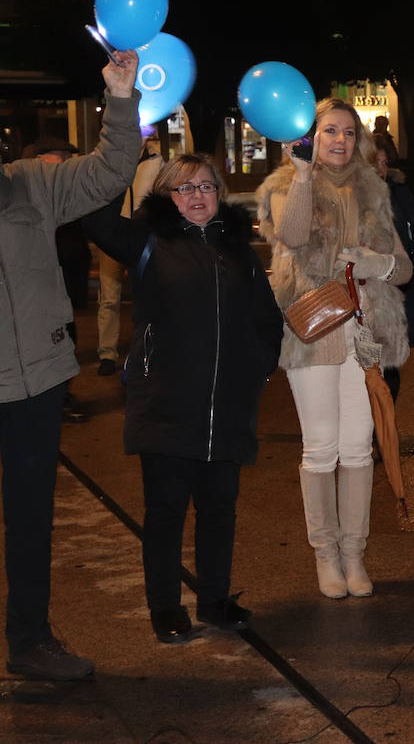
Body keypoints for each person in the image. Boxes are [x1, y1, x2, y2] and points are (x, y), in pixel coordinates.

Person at [82, 155, 282, 644]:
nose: (197, 196)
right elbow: (96, 219)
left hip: (226, 408)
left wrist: (256, 367)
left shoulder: (238, 251)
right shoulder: (149, 240)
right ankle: (165, 606)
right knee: (166, 511)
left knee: (220, 509)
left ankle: (215, 600)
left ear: (221, 193)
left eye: (206, 186)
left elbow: (266, 318)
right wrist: (118, 160)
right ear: (166, 196)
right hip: (166, 404)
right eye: (184, 188)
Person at [1, 50, 142, 680]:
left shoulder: (32, 180)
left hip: (31, 382)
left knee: (30, 521)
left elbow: (113, 170)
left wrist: (118, 96)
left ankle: (31, 642)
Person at [257, 98, 413, 600]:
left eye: (348, 131)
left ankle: (354, 553)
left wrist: (378, 265)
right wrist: (302, 176)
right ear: (312, 136)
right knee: (321, 448)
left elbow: (406, 267)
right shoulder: (285, 185)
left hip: (365, 332)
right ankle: (325, 554)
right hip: (315, 330)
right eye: (330, 131)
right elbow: (294, 237)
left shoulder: (373, 188)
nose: (340, 140)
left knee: (357, 449)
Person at [26, 136, 95, 423]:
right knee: (48, 344)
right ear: (39, 159)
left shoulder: (64, 188)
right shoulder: (27, 192)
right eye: (60, 156)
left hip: (66, 279)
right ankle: (53, 401)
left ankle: (59, 397)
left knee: (65, 339)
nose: (66, 162)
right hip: (38, 289)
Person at [373, 134, 414, 399]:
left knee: (390, 372)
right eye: (374, 161)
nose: (380, 167)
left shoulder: (398, 192)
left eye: (384, 161)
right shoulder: (351, 197)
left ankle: (382, 434)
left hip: (396, 295)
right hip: (364, 298)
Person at [95, 134, 163, 377]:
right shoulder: (105, 160)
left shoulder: (155, 160)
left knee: (144, 297)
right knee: (109, 298)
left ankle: (144, 351)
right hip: (113, 235)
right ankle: (107, 354)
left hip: (141, 236)